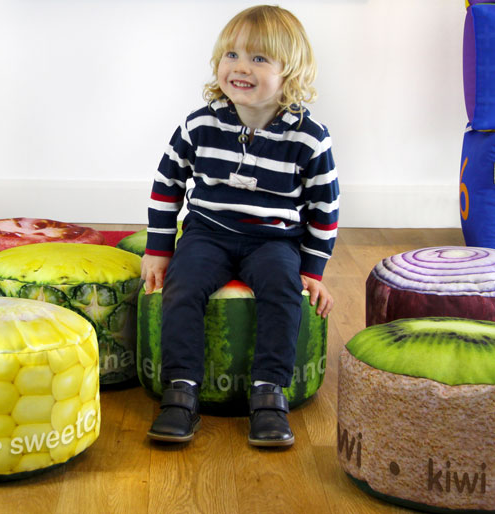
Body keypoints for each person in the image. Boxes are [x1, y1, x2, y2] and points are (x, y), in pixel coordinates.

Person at [141, 5, 339, 447]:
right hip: (208, 232)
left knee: (282, 289)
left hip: (274, 239)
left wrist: (313, 270)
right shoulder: (200, 124)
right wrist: (159, 248)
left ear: (290, 70)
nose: (241, 68)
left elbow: (324, 207)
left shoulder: (308, 137)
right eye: (231, 55)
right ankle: (181, 390)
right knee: (183, 285)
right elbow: (167, 182)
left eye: (259, 59)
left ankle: (269, 393)